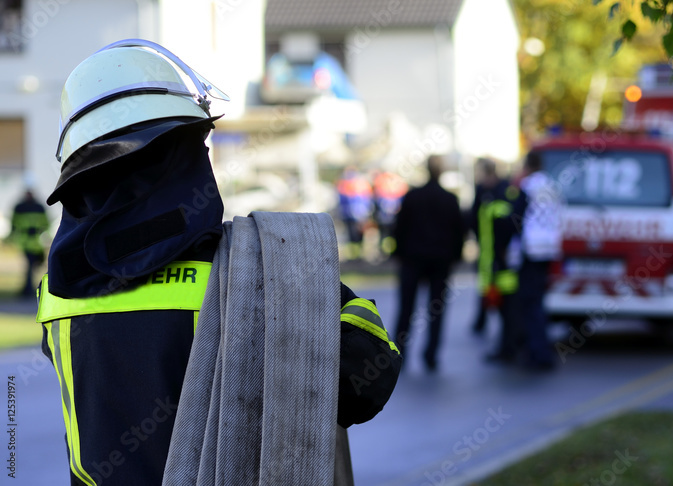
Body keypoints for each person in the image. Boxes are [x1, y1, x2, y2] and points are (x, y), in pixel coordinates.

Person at [35, 39, 400, 486]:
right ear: (178, 159)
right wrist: (317, 288)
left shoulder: (55, 293)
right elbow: (365, 385)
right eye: (197, 145)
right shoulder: (263, 273)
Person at [392, 154, 465, 372]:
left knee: (406, 309)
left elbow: (399, 228)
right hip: (440, 262)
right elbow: (458, 232)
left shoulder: (412, 196)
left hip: (413, 260)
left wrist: (399, 254)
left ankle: (399, 352)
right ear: (441, 172)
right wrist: (455, 257)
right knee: (436, 311)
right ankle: (431, 355)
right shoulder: (450, 199)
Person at [512, 152, 563, 371]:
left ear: (528, 166)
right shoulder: (552, 186)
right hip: (549, 248)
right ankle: (540, 349)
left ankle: (538, 352)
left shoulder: (527, 186)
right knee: (538, 301)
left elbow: (517, 219)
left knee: (530, 303)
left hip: (531, 249)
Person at [468, 158, 522, 362]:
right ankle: (507, 346)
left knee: (507, 308)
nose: (478, 178)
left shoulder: (504, 193)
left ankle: (509, 348)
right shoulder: (483, 193)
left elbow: (510, 226)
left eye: (480, 173)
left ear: (488, 173)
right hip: (490, 261)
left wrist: (504, 252)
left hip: (503, 263)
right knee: (499, 306)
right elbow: (475, 221)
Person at [7, 190, 48, 297]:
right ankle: (28, 289)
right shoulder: (34, 207)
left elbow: (14, 224)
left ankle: (28, 289)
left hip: (33, 242)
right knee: (31, 266)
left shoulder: (26, 207)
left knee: (33, 266)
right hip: (29, 242)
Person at [337, 166, 374, 261]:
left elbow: (366, 199)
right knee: (352, 234)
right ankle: (355, 255)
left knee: (358, 234)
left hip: (358, 215)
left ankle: (358, 254)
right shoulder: (345, 183)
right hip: (350, 215)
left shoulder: (359, 183)